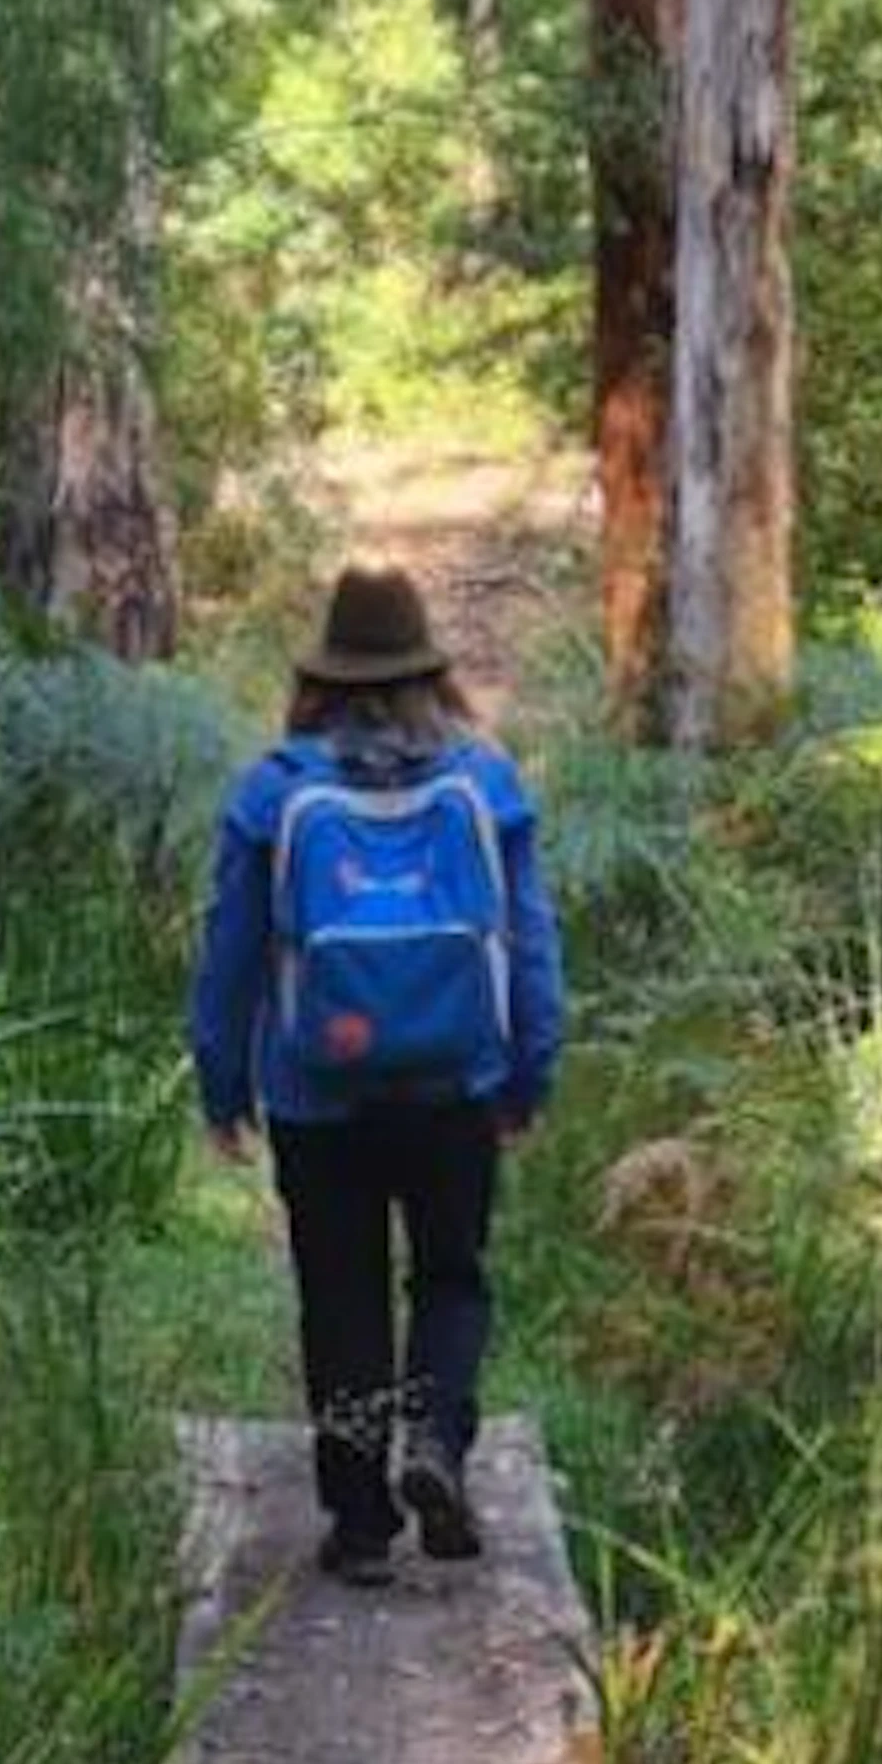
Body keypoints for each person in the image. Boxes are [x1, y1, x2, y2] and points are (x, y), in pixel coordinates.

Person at [191, 566, 567, 1585]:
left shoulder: (276, 789)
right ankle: (437, 1441)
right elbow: (530, 942)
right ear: (426, 671)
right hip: (458, 1083)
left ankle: (360, 1523)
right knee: (451, 1275)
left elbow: (229, 951)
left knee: (341, 1294)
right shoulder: (484, 782)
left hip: (319, 1093)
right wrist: (529, 1069)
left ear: (325, 674)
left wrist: (221, 1085)